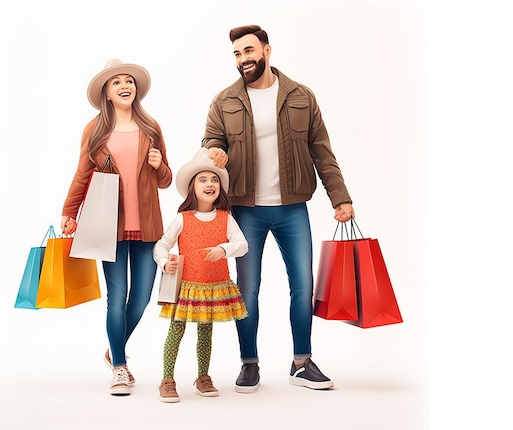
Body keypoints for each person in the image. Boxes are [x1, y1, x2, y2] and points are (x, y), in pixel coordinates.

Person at [202, 25, 355, 392]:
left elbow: (322, 151)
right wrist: (213, 151)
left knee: (304, 285)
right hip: (246, 209)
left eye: (249, 51)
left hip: (292, 207)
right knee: (248, 288)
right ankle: (249, 363)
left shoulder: (301, 96)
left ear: (267, 51)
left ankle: (302, 363)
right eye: (237, 54)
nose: (243, 59)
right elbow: (210, 139)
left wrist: (341, 197)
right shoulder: (224, 101)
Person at [60, 58, 172, 396]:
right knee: (116, 297)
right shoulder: (95, 130)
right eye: (117, 82)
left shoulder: (151, 126)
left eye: (129, 81)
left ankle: (115, 347)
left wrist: (160, 164)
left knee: (140, 299)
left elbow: (165, 181)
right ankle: (120, 368)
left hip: (148, 225)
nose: (125, 86)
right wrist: (69, 210)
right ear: (107, 93)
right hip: (109, 225)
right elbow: (82, 175)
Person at [153, 148, 249, 403]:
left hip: (213, 286)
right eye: (203, 180)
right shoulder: (182, 219)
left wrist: (223, 249)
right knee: (176, 332)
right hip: (185, 287)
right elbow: (161, 245)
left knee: (206, 333)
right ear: (192, 187)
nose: (210, 184)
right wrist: (164, 262)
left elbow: (242, 244)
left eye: (214, 180)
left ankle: (203, 377)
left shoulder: (226, 219)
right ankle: (167, 379)